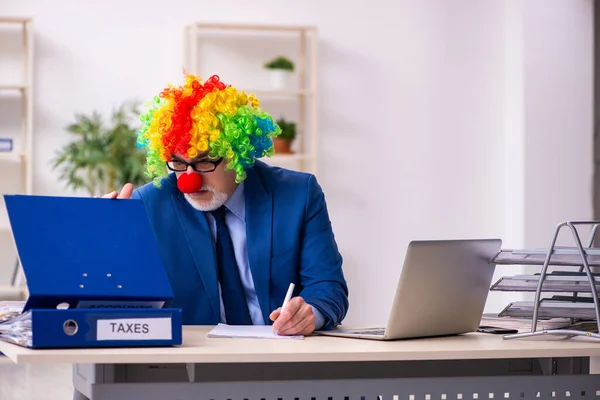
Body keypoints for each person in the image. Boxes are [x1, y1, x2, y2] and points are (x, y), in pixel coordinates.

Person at [103, 73, 349, 336]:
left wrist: (310, 312)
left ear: (237, 154)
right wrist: (107, 248)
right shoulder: (148, 206)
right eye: (178, 163)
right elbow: (125, 303)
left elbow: (328, 286)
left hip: (278, 356)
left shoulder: (298, 194)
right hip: (191, 361)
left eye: (205, 161)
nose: (190, 179)